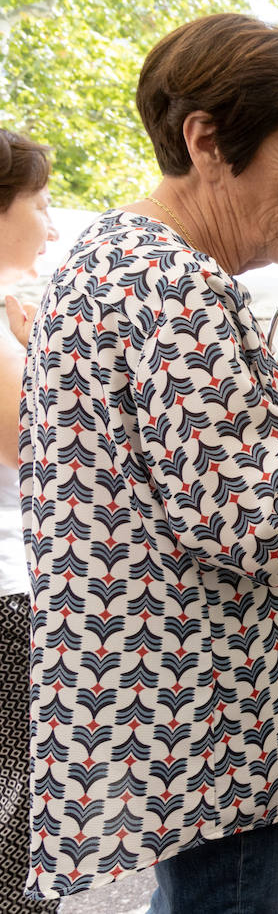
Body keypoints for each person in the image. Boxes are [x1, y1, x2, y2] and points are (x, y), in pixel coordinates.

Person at [21, 14, 278, 911]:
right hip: (217, 730)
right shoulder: (179, 285)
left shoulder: (110, 259)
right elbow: (260, 527)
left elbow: (168, 474)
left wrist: (275, 413)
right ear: (207, 141)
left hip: (162, 714)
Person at [0, 130, 59, 914]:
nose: (50, 223)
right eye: (40, 203)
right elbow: (42, 448)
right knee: (24, 829)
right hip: (10, 598)